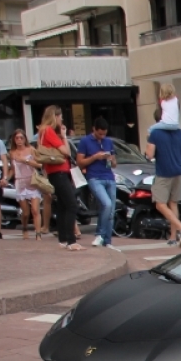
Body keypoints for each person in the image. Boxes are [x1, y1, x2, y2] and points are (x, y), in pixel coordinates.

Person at [35, 106, 82, 252]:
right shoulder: (48, 131)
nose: (61, 119)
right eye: (60, 116)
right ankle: (71, 240)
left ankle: (62, 239)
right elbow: (66, 151)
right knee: (71, 205)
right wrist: (63, 136)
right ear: (54, 116)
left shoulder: (42, 132)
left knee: (62, 206)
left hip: (54, 172)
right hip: (59, 171)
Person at [144, 106, 181, 245]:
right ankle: (173, 237)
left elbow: (149, 154)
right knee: (173, 203)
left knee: (160, 204)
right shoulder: (180, 132)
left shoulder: (155, 133)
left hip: (164, 171)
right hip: (179, 170)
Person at [76, 118, 119, 247]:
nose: (102, 137)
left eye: (104, 134)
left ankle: (107, 241)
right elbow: (80, 162)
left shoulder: (108, 142)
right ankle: (100, 234)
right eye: (99, 134)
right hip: (94, 177)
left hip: (109, 176)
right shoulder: (85, 141)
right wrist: (95, 157)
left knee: (110, 210)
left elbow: (115, 164)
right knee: (106, 204)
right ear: (93, 129)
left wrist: (111, 159)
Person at [8, 129, 45, 240]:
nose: (19, 140)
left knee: (35, 209)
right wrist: (6, 179)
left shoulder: (31, 150)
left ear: (25, 139)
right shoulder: (12, 152)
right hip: (20, 182)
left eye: (21, 138)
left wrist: (26, 161)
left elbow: (39, 165)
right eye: (17, 138)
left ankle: (38, 233)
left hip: (32, 180)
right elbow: (12, 169)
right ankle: (24, 228)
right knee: (25, 212)